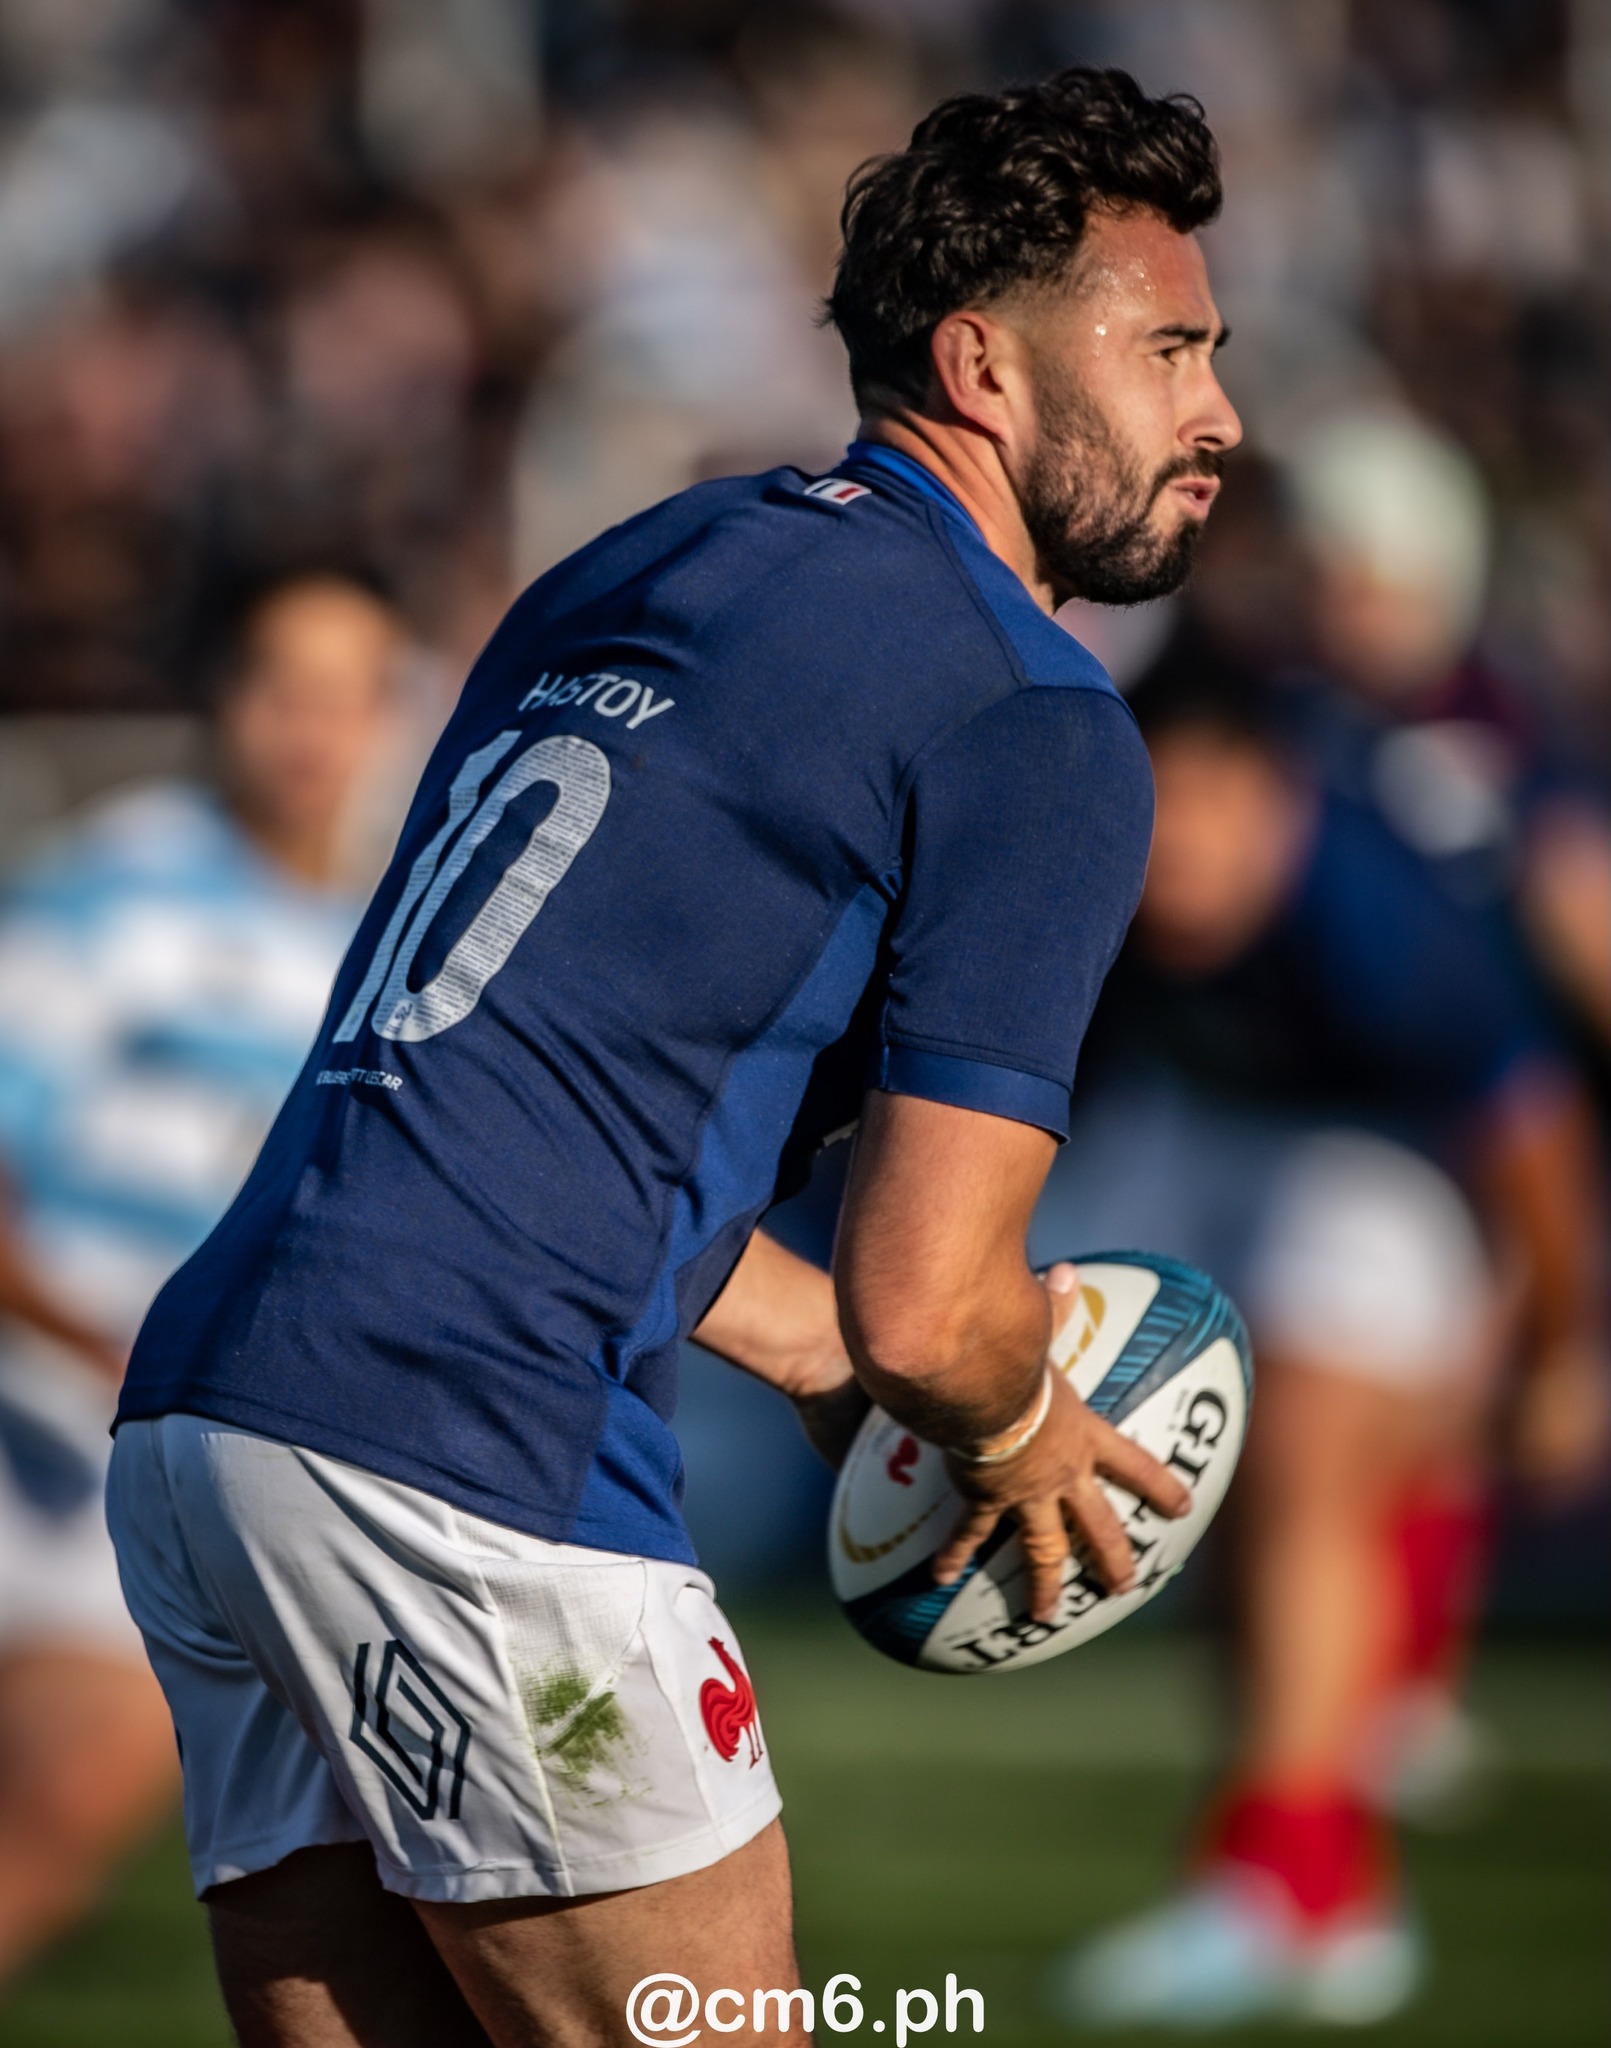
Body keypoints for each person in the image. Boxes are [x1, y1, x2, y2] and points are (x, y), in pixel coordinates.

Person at [107, 66, 1240, 2048]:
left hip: (220, 1417)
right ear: (982, 365)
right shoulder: (1032, 714)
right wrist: (1010, 1427)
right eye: (1167, 350)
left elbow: (543, 1080)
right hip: (470, 1446)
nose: (1215, 412)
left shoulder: (636, 565)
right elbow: (933, 1303)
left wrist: (809, 1346)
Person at [1045, 658, 1607, 2030]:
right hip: (1202, 1130)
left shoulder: (1375, 914)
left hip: (1393, 1154)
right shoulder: (1092, 874)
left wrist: (1553, 1354)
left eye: (1211, 805)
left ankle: (1273, 1881)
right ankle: (1338, 1889)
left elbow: (1531, 1136)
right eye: (1156, 808)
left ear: (1274, 792)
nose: (1179, 849)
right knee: (1208, 1503)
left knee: (1300, 1453)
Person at [0, 568, 400, 1982]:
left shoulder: (378, 940)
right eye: (283, 687)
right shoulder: (111, 895)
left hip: (186, 1459)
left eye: (348, 695)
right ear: (220, 701)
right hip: (45, 1436)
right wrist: (90, 1340)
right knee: (68, 1799)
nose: (313, 729)